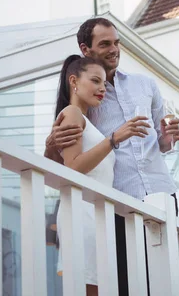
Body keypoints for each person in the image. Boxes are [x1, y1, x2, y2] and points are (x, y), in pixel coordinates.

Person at [45, 17, 179, 295]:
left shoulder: (146, 85)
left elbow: (162, 141)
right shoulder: (87, 97)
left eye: (117, 42)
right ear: (86, 49)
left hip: (162, 194)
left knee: (164, 283)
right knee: (127, 285)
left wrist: (167, 138)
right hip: (118, 203)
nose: (114, 49)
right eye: (105, 43)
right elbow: (68, 160)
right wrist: (51, 143)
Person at [52, 54, 150, 296]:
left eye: (104, 84)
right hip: (82, 216)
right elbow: (72, 168)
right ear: (73, 81)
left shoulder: (86, 120)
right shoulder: (72, 113)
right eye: (95, 81)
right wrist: (114, 139)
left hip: (96, 218)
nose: (101, 89)